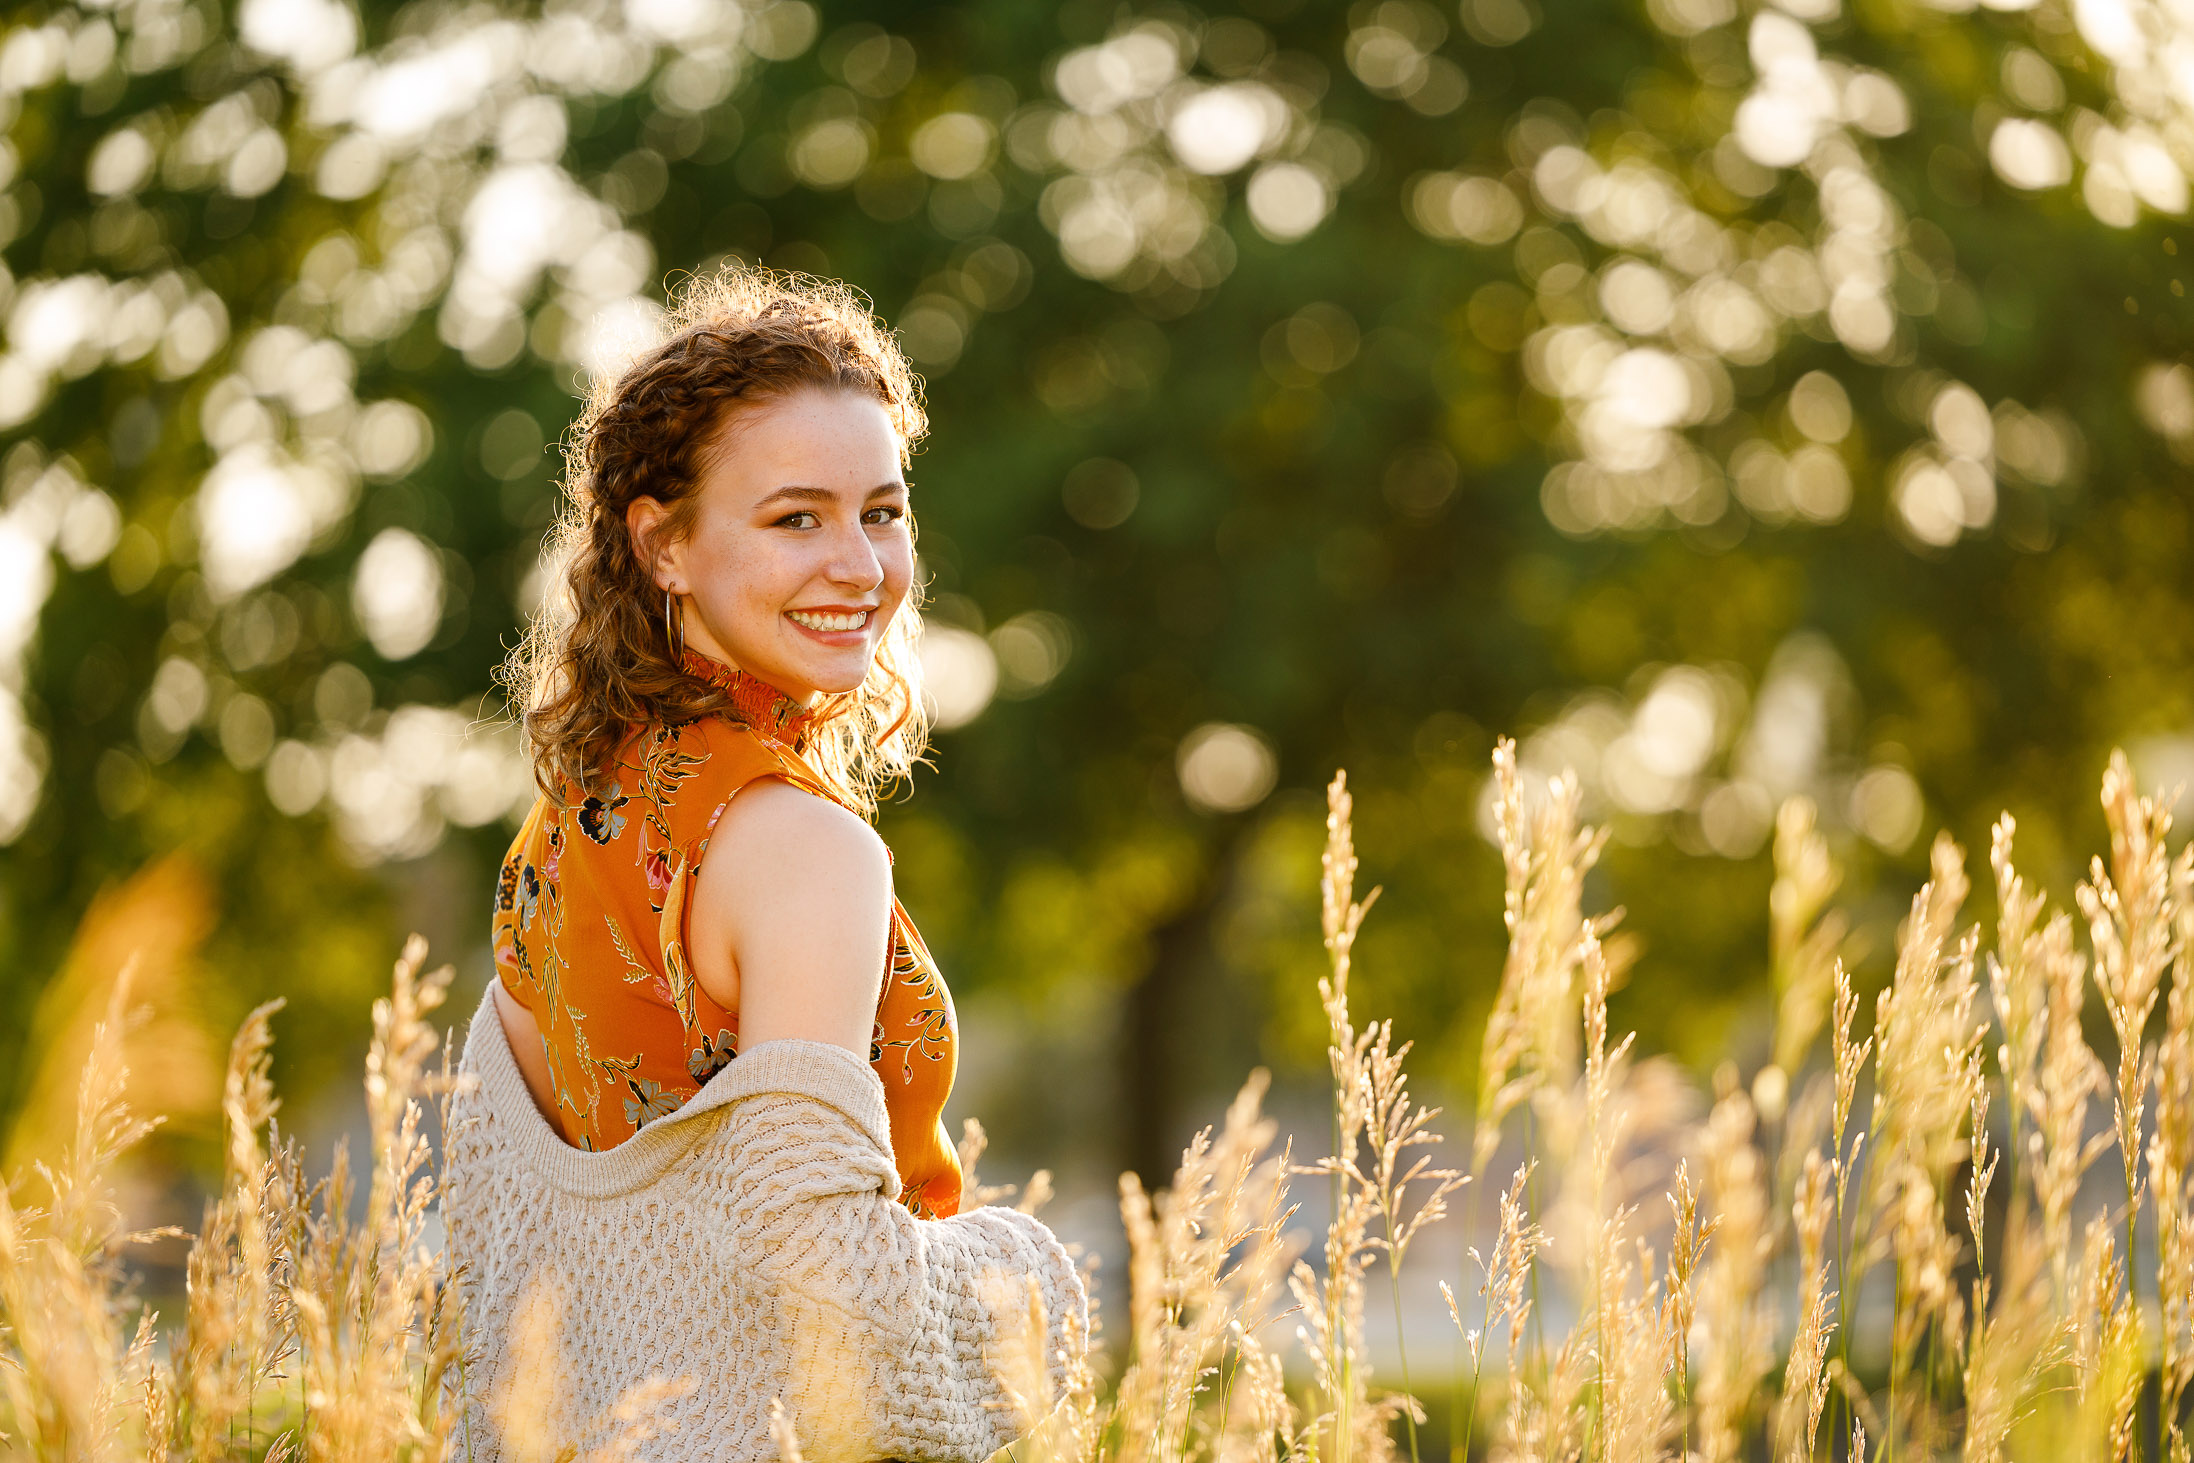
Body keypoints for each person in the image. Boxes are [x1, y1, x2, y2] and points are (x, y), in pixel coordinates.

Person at [440, 266, 1087, 1463]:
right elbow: (823, 1261)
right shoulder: (802, 846)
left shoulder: (576, 810)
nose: (858, 565)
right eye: (796, 517)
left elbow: (520, 1217)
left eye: (882, 512)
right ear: (663, 544)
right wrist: (1019, 1279)